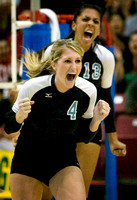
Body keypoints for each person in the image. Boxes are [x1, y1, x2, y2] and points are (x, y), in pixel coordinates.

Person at [35, 3, 126, 199]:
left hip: (88, 128)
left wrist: (113, 138)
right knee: (43, 194)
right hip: (54, 127)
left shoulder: (105, 57)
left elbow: (105, 98)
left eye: (95, 21)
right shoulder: (54, 51)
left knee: (78, 195)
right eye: (85, 19)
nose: (90, 24)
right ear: (74, 25)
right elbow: (37, 90)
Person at [4, 39, 110, 200]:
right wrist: (19, 117)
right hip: (29, 158)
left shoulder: (88, 91)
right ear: (54, 65)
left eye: (78, 61)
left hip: (63, 160)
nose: (74, 67)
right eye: (67, 61)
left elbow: (84, 137)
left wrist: (96, 120)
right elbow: (9, 127)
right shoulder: (33, 87)